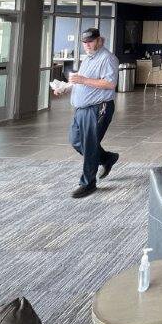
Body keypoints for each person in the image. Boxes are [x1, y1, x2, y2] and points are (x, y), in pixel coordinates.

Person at [55, 28, 119, 199]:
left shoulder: (107, 58)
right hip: (81, 108)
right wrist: (66, 87)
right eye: (84, 42)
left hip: (98, 108)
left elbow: (110, 84)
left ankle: (88, 183)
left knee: (90, 145)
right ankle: (107, 158)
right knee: (75, 140)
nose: (87, 45)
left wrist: (82, 80)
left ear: (100, 40)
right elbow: (81, 81)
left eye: (91, 41)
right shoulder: (88, 59)